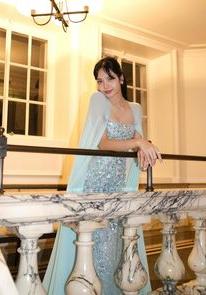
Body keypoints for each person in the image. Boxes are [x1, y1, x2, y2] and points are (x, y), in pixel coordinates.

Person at [43, 57, 161, 295]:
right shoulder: (97, 101)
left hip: (118, 184)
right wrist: (138, 141)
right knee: (94, 243)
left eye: (110, 78)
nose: (105, 85)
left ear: (121, 79)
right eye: (99, 80)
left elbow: (137, 140)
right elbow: (102, 142)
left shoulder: (135, 108)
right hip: (95, 181)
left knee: (117, 242)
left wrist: (145, 144)